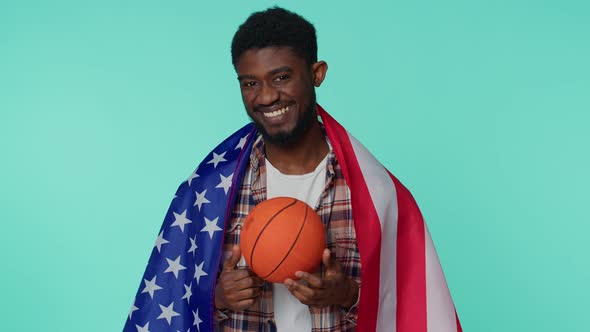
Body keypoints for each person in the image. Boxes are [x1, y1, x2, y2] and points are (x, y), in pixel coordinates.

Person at [124, 6, 461, 332]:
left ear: (317, 74)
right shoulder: (210, 188)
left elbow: (408, 306)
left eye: (281, 77)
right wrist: (218, 297)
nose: (266, 96)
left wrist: (348, 294)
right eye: (250, 83)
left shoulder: (376, 192)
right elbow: (171, 301)